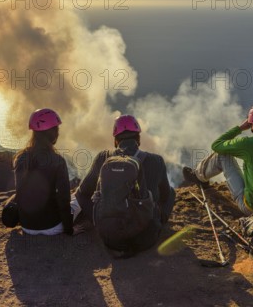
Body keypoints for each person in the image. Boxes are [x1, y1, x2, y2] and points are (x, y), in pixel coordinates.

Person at [75, 115, 176, 256]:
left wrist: (96, 217)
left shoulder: (103, 158)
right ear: (138, 139)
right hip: (146, 239)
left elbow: (81, 193)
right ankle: (157, 222)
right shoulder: (156, 161)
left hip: (111, 238)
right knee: (171, 192)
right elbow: (164, 196)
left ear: (116, 141)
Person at [187, 103, 253, 215]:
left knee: (222, 155)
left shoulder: (247, 144)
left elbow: (216, 145)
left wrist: (241, 128)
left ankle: (199, 177)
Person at [10, 108, 73, 236]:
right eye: (57, 129)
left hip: (27, 226)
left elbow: (20, 192)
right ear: (53, 132)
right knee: (77, 201)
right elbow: (64, 199)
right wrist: (69, 230)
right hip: (52, 227)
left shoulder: (21, 157)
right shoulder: (58, 160)